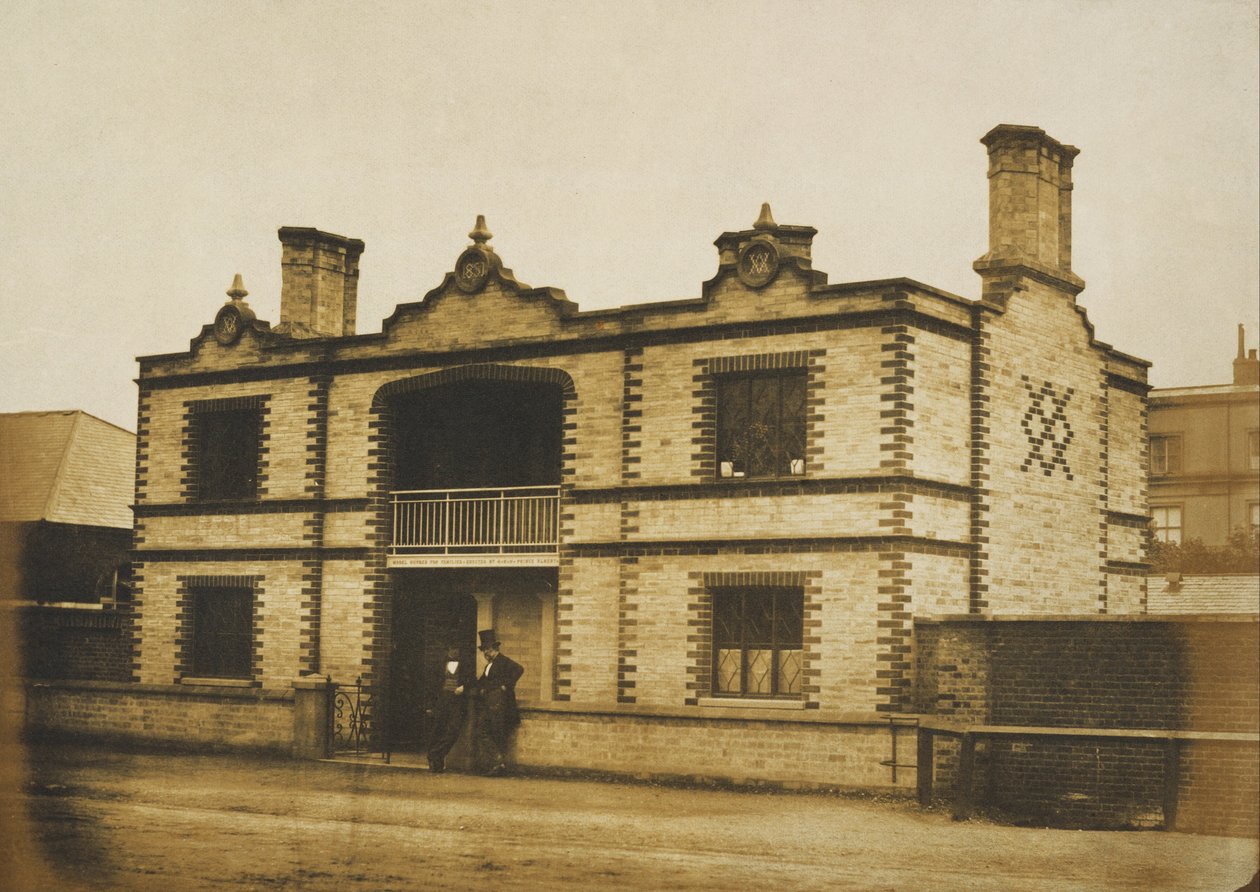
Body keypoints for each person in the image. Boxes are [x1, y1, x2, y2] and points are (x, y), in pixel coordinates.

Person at [473, 629, 524, 775]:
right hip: (489, 704)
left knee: (496, 732)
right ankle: (498, 761)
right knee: (483, 730)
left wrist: (506, 685)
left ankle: (498, 764)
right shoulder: (489, 665)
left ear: (495, 649)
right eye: (484, 650)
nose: (486, 653)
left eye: (488, 650)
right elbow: (481, 682)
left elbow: (519, 669)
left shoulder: (503, 661)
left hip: (500, 705)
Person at [427, 644, 473, 773]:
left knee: (454, 729)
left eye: (458, 649)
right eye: (453, 648)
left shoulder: (466, 664)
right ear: (448, 650)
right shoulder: (439, 664)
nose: (455, 651)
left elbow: (473, 680)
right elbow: (431, 685)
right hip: (442, 700)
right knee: (438, 729)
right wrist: (430, 705)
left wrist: (464, 687)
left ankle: (436, 754)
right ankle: (435, 760)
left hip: (457, 700)